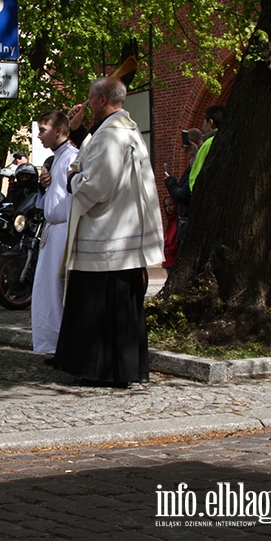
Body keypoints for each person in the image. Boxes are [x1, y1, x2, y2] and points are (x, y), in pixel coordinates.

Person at [51, 77, 164, 388]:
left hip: (106, 237)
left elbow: (98, 182)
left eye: (89, 99)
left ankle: (98, 371)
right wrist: (77, 130)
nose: (86, 104)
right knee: (119, 309)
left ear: (102, 100)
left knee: (97, 308)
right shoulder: (125, 129)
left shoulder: (112, 135)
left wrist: (73, 179)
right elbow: (96, 152)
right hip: (120, 234)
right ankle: (122, 369)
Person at [30, 110, 79, 356]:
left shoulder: (72, 158)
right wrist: (44, 184)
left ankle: (61, 344)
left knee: (58, 289)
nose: (39, 135)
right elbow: (53, 195)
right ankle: (50, 343)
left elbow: (74, 196)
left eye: (42, 129)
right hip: (52, 230)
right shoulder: (56, 158)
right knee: (45, 289)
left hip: (64, 230)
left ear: (58, 131)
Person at [163, 128, 201, 247]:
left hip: (189, 224)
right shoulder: (194, 163)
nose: (184, 150)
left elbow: (182, 195)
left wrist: (170, 181)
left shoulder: (197, 164)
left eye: (186, 145)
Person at [188, 105, 225, 192]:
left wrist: (194, 157)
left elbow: (195, 181)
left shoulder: (209, 143)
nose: (201, 127)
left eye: (203, 122)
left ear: (210, 123)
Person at [162, 196, 178, 274]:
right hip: (168, 259)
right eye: (166, 206)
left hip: (175, 257)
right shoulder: (169, 223)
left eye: (171, 205)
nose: (168, 208)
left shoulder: (178, 222)